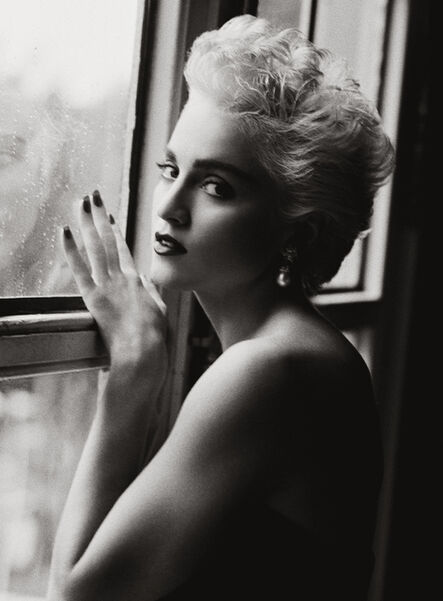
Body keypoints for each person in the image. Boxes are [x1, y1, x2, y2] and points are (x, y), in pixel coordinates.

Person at [46, 15, 394, 601]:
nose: (171, 207)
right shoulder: (303, 352)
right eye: (170, 169)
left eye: (217, 187)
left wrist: (135, 370)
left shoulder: (268, 370)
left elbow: (78, 596)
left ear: (297, 231)